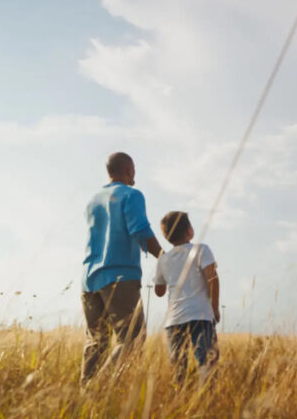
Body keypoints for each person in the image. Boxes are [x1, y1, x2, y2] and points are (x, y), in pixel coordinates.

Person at [81, 152, 163, 384]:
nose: (135, 173)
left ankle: (86, 396)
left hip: (88, 279)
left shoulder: (93, 200)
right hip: (119, 276)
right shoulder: (132, 195)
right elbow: (140, 230)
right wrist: (162, 256)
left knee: (96, 343)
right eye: (134, 168)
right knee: (133, 338)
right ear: (128, 169)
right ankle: (99, 387)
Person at [153, 211, 220, 384]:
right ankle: (206, 399)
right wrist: (215, 308)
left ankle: (179, 398)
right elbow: (212, 279)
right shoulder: (201, 250)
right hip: (201, 315)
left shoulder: (163, 259)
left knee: (178, 367)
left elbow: (159, 291)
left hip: (174, 319)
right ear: (189, 232)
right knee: (207, 363)